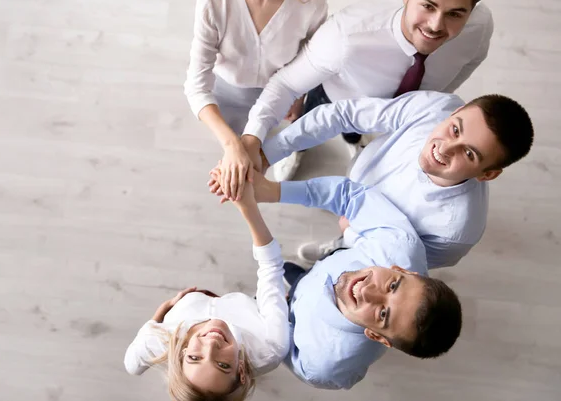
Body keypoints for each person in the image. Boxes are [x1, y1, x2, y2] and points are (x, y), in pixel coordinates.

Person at [235, 0, 495, 182]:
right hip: (334, 97)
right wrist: (252, 137)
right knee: (308, 120)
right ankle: (297, 148)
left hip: (385, 110)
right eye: (428, 6)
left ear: (470, 11)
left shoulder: (479, 27)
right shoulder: (347, 36)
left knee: (353, 131)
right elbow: (285, 84)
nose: (436, 26)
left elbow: (472, 61)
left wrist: (432, 98)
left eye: (455, 14)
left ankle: (354, 139)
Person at [208, 170, 463, 390]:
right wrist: (272, 190)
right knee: (298, 273)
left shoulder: (323, 365)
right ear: (404, 270)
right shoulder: (399, 245)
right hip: (324, 268)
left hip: (284, 321)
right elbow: (350, 196)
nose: (367, 291)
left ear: (378, 338)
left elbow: (281, 350)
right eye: (392, 285)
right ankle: (304, 277)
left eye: (383, 313)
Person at [258, 91, 534, 268]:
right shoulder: (436, 106)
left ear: (488, 174)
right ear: (452, 114)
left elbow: (399, 263)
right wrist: (266, 154)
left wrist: (353, 232)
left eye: (470, 153)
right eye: (454, 129)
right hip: (352, 184)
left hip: (366, 245)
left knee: (343, 253)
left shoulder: (455, 232)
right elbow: (343, 115)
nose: (446, 148)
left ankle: (337, 248)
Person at [184, 0, 327, 201]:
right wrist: (232, 146)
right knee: (238, 146)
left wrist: (298, 96)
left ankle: (283, 149)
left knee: (270, 140)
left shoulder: (312, 2)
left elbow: (310, 61)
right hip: (225, 93)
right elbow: (196, 85)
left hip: (280, 95)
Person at [124, 180, 289, 400]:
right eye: (222, 364)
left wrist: (159, 316)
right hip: (249, 310)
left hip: (194, 304)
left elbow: (131, 365)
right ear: (240, 370)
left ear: (181, 356)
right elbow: (271, 267)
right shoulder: (269, 346)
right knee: (273, 301)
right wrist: (248, 207)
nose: (211, 344)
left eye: (194, 357)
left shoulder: (156, 342)